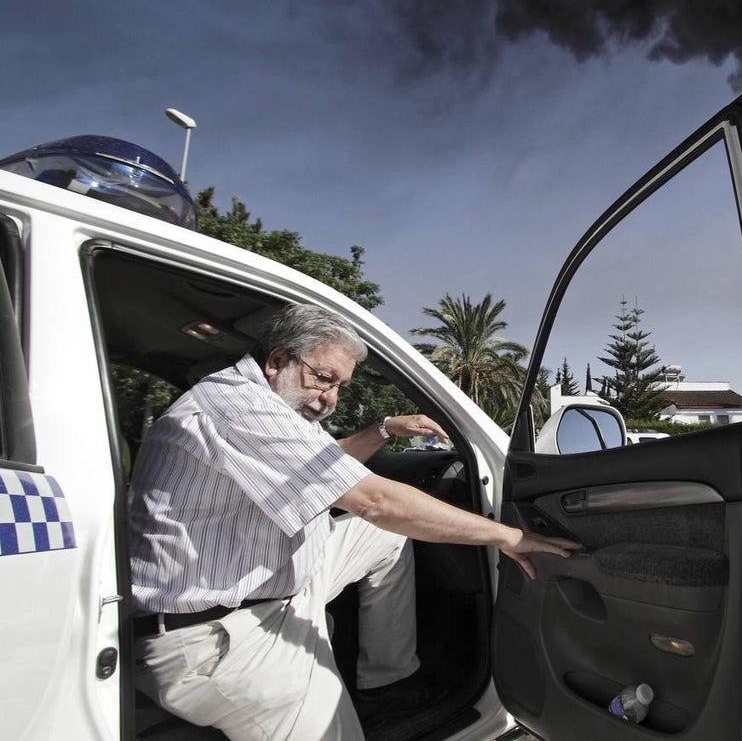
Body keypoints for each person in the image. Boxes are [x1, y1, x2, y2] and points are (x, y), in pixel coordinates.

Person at [129, 303, 578, 740]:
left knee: (383, 539)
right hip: (218, 638)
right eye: (323, 378)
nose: (329, 398)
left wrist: (384, 431)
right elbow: (374, 501)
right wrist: (508, 535)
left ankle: (387, 680)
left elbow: (325, 468)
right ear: (277, 360)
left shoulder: (268, 405)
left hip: (264, 589)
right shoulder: (234, 406)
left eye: (340, 386)